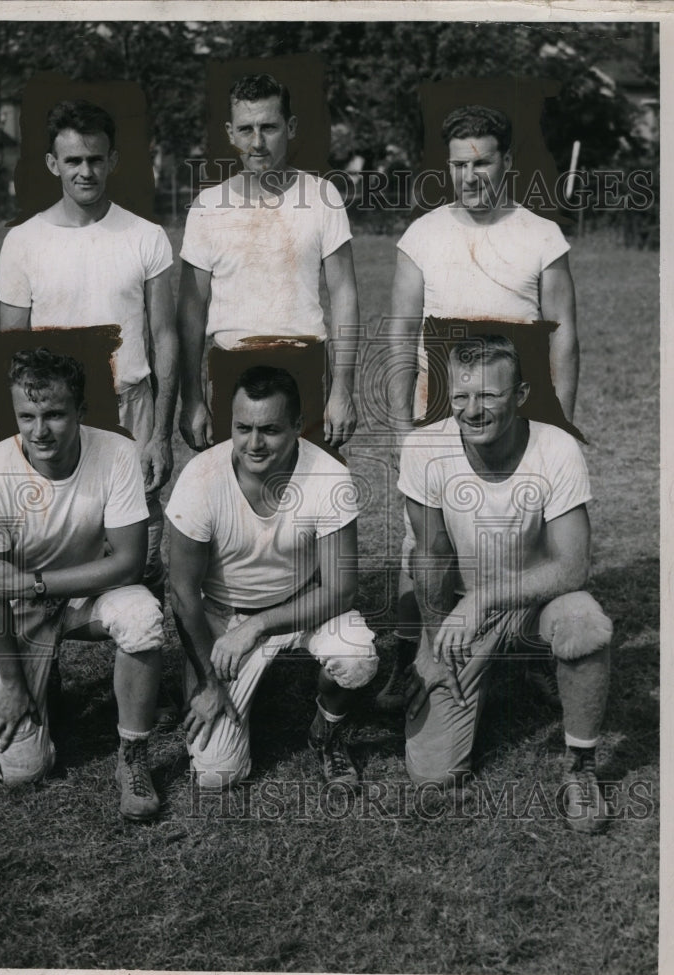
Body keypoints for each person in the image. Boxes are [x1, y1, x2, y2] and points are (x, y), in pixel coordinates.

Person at [381, 104, 580, 708]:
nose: (471, 176)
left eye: (483, 162)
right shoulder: (422, 234)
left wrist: (559, 423)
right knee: (424, 542)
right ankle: (408, 655)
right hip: (442, 406)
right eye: (460, 164)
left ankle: (531, 651)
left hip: (516, 403)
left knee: (530, 535)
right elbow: (399, 331)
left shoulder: (541, 235)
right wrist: (399, 425)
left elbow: (565, 331)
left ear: (507, 162)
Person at [398, 336, 612, 833]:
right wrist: (432, 646)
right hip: (458, 608)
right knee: (433, 777)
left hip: (538, 600)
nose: (473, 411)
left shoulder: (555, 446)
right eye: (461, 397)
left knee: (584, 625)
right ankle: (473, 676)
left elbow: (574, 566)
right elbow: (429, 555)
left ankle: (580, 767)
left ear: (519, 395)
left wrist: (484, 601)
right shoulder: (424, 447)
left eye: (489, 397)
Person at [0, 348, 165, 821]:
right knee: (23, 773)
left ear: (81, 411)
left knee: (143, 618)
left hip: (81, 589)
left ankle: (132, 757)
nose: (39, 430)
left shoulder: (115, 451)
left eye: (54, 414)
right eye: (27, 416)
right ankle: (38, 679)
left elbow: (130, 563)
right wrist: (12, 684)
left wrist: (34, 583)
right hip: (15, 611)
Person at [0, 99, 179, 601]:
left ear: (113, 160)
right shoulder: (23, 241)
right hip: (53, 415)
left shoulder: (146, 237)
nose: (86, 171)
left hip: (130, 406)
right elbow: (11, 353)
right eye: (73, 160)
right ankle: (45, 666)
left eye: (95, 159)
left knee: (140, 555)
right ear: (53, 164)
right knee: (45, 540)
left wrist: (161, 433)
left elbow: (166, 337)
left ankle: (148, 655)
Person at [167, 366, 378, 790]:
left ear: (299, 426)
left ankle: (327, 731)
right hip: (221, 615)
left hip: (298, 603)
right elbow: (182, 592)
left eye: (270, 429)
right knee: (216, 775)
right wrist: (210, 680)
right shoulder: (201, 476)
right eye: (243, 428)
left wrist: (260, 626)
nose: (254, 443)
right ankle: (204, 681)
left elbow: (341, 589)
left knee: (358, 658)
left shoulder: (329, 475)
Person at [178, 73, 359, 453]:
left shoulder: (322, 196)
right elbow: (192, 310)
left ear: (290, 127)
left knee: (316, 498)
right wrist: (192, 398)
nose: (257, 142)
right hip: (231, 367)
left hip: (305, 366)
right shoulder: (207, 207)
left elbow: (344, 294)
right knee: (237, 500)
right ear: (230, 132)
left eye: (269, 127)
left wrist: (342, 389)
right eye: (246, 129)